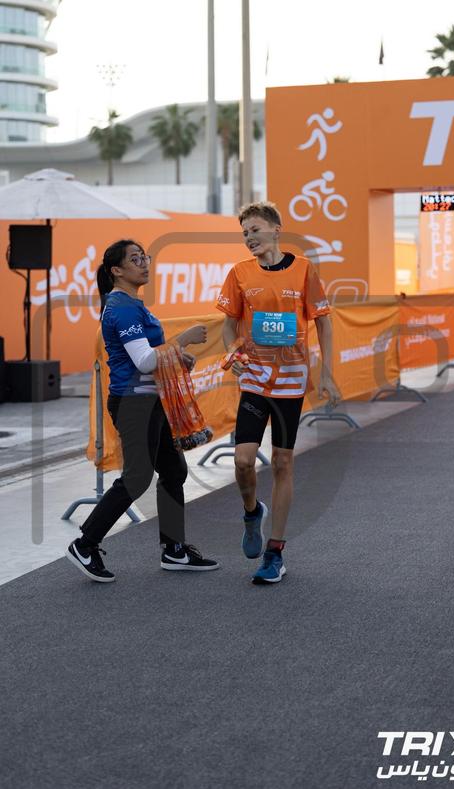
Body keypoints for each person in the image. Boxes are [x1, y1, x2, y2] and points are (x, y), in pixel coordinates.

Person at [66, 239, 219, 583]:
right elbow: (145, 361)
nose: (144, 264)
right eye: (135, 259)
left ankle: (174, 550)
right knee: (137, 478)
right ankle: (85, 544)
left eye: (145, 257)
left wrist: (176, 356)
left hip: (149, 401)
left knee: (174, 470)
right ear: (116, 271)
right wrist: (183, 340)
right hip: (134, 404)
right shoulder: (122, 308)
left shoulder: (131, 304)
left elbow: (152, 355)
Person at [216, 201, 340, 584]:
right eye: (244, 233)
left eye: (254, 230)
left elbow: (324, 324)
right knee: (242, 461)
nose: (249, 238)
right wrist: (233, 353)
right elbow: (228, 325)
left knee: (283, 462)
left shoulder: (303, 270)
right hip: (254, 379)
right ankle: (252, 512)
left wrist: (327, 374)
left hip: (290, 382)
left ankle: (275, 553)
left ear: (276, 229)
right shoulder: (239, 273)